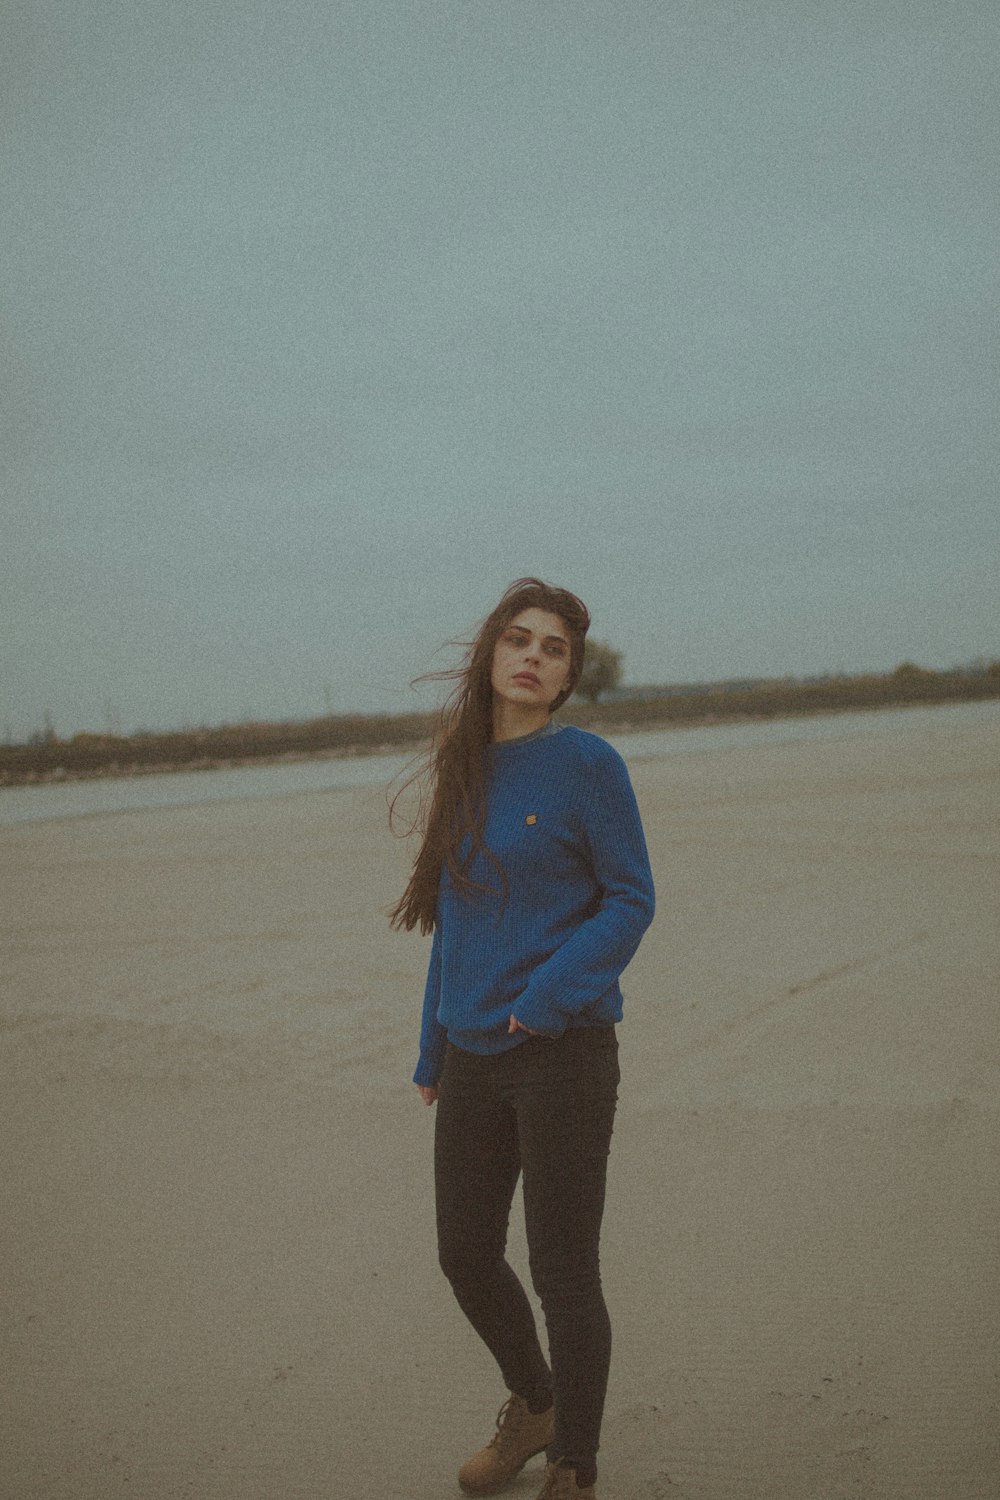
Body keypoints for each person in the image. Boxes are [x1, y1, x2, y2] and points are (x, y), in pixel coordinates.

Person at [390, 578, 655, 1500]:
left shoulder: (586, 765)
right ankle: (535, 1403)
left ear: (568, 676)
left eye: (553, 649)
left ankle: (574, 1463)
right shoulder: (462, 770)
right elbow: (454, 924)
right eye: (519, 641)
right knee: (463, 1250)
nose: (534, 657)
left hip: (564, 1049)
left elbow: (631, 898)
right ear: (491, 658)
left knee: (563, 1267)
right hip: (471, 1053)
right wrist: (433, 1047)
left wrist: (546, 997)